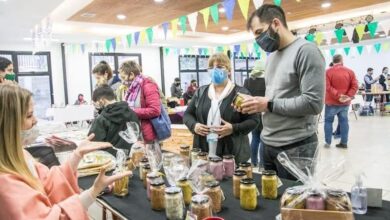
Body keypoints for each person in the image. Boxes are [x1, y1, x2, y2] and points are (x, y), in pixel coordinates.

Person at [0, 84, 131, 219]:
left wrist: (76, 156)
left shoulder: (21, 154)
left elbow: (47, 183)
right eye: (29, 115)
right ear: (9, 124)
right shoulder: (5, 183)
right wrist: (92, 192)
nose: (35, 121)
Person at [241, 4, 325, 180]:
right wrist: (258, 102)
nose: (258, 40)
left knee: (293, 204)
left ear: (276, 23)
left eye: (259, 32)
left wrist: (268, 104)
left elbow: (313, 103)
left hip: (296, 145)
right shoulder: (271, 58)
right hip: (268, 142)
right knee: (270, 203)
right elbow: (276, 97)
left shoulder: (306, 51)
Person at [183, 53, 259, 164]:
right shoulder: (201, 92)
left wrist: (233, 128)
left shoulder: (241, 93)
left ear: (228, 70)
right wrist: (194, 125)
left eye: (219, 67)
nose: (214, 70)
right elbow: (187, 115)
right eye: (211, 67)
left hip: (232, 154)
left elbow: (254, 120)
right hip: (203, 152)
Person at [89, 85, 140, 155]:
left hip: (109, 160)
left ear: (102, 100)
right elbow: (137, 133)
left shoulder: (102, 119)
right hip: (132, 157)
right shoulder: (131, 112)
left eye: (96, 103)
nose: (96, 106)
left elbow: (93, 144)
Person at [121, 60, 162, 143]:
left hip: (149, 134)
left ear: (131, 75)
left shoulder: (148, 85)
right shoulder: (131, 89)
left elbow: (155, 110)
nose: (123, 81)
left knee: (151, 155)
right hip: (137, 133)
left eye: (124, 77)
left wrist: (131, 111)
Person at [324, 54, 358, 149]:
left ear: (333, 61)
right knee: (344, 122)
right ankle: (344, 143)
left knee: (328, 122)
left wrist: (339, 95)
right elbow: (355, 86)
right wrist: (347, 96)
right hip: (345, 103)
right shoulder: (350, 72)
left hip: (331, 102)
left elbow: (327, 87)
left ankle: (328, 142)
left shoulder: (327, 72)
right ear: (342, 60)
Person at [243, 60, 266, 169]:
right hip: (264, 114)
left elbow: (244, 96)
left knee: (255, 138)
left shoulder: (247, 81)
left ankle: (253, 162)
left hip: (252, 113)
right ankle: (262, 164)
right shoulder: (267, 81)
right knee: (263, 139)